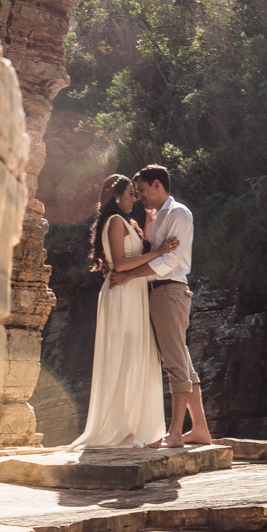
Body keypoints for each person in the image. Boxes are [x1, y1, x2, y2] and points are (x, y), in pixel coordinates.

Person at [67, 174, 180, 449]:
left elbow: (127, 257)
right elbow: (119, 263)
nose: (134, 199)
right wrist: (160, 251)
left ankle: (132, 424)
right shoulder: (116, 221)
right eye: (131, 193)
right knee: (124, 355)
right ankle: (118, 426)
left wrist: (150, 226)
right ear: (116, 197)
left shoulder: (127, 222)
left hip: (133, 292)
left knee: (136, 355)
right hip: (122, 293)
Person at [110, 164, 212, 448]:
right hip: (157, 293)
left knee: (174, 363)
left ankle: (176, 433)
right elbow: (148, 253)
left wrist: (129, 275)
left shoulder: (178, 213)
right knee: (183, 362)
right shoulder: (153, 217)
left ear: (157, 185)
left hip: (169, 291)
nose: (139, 196)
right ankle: (200, 430)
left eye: (141, 191)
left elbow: (169, 262)